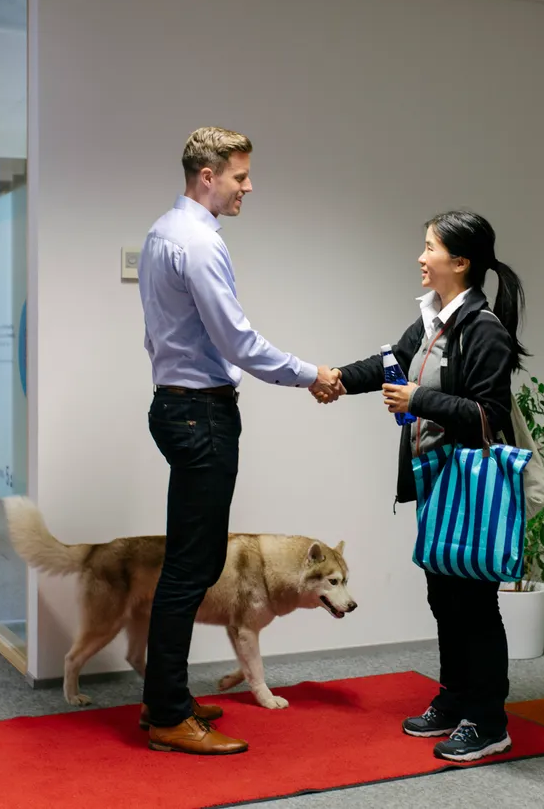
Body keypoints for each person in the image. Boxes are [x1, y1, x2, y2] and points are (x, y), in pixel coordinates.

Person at [137, 126, 342, 755]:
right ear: (208, 175)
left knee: (190, 563)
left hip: (177, 409)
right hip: (200, 415)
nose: (247, 187)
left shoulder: (161, 233)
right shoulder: (198, 244)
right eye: (240, 176)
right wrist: (314, 375)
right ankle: (168, 714)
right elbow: (238, 342)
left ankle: (167, 697)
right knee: (190, 568)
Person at [322, 210, 528, 762]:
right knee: (444, 598)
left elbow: (489, 414)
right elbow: (391, 362)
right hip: (436, 479)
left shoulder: (483, 329)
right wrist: (338, 379)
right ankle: (456, 698)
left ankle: (489, 720)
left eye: (430, 247)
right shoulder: (434, 320)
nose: (421, 256)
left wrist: (418, 400)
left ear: (460, 262)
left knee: (474, 605)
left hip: (468, 486)